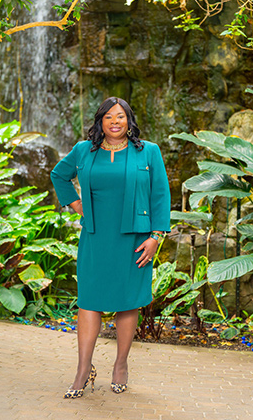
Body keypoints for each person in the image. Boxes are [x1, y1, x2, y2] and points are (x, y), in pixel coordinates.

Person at [50, 96, 171, 399]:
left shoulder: (149, 153)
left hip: (134, 239)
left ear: (129, 121)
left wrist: (156, 236)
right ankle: (82, 370)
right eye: (108, 117)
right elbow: (59, 175)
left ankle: (120, 364)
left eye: (120, 117)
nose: (115, 122)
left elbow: (160, 194)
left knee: (127, 301)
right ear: (100, 121)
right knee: (89, 301)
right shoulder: (83, 151)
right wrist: (77, 206)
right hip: (96, 237)